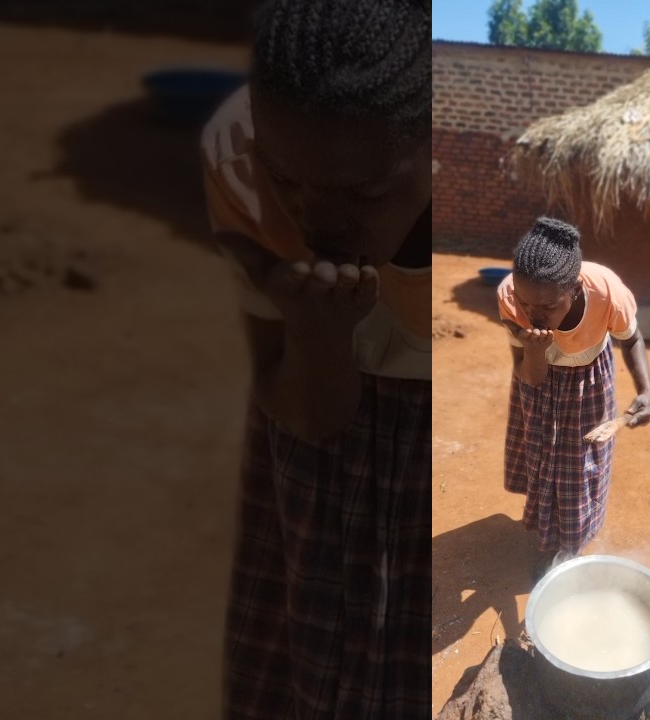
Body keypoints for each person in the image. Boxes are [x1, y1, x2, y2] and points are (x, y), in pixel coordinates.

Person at [197, 1, 431, 716]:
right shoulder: (240, 156)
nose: (316, 223)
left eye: (364, 194)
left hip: (425, 458)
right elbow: (309, 414)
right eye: (287, 181)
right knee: (303, 669)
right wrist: (317, 332)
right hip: (310, 446)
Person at [497, 218, 650, 578]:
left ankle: (570, 545)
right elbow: (528, 374)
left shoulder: (606, 292)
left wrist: (645, 390)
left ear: (576, 287)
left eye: (549, 306)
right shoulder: (510, 297)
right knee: (543, 457)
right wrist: (535, 350)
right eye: (525, 303)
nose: (534, 316)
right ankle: (549, 537)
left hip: (590, 382)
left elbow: (631, 339)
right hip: (536, 381)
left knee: (582, 463)